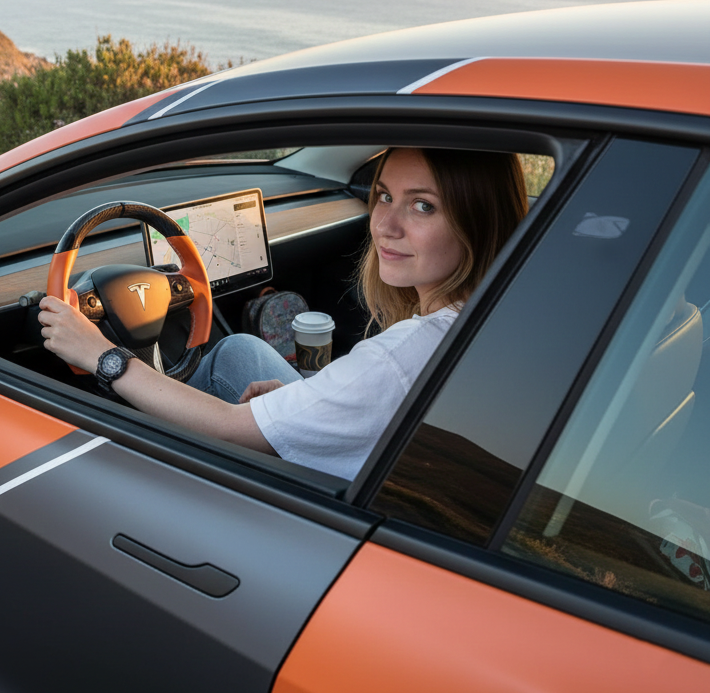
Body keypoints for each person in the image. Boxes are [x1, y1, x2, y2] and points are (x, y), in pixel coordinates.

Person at [38, 147, 529, 480]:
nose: (385, 225)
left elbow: (233, 430)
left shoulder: (401, 357)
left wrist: (103, 355)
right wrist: (312, 400)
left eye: (423, 206)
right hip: (388, 473)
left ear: (477, 219)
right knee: (241, 353)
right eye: (384, 196)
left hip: (331, 511)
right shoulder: (502, 312)